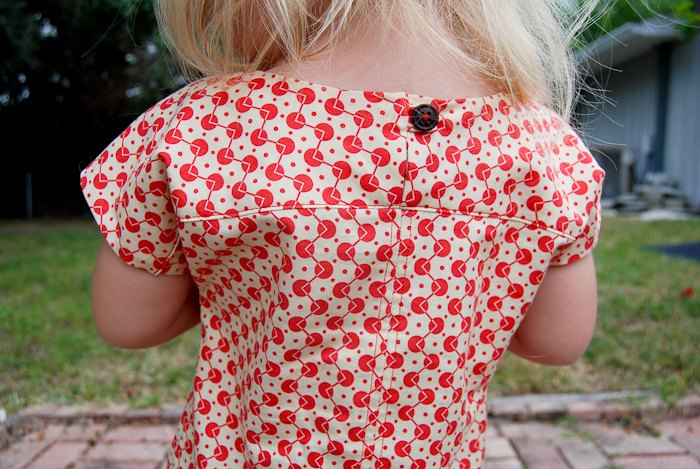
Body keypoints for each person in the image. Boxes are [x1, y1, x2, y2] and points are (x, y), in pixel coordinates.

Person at [80, 0, 603, 467]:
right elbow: (558, 342)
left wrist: (232, 286)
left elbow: (127, 322)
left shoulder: (201, 131)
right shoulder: (545, 153)